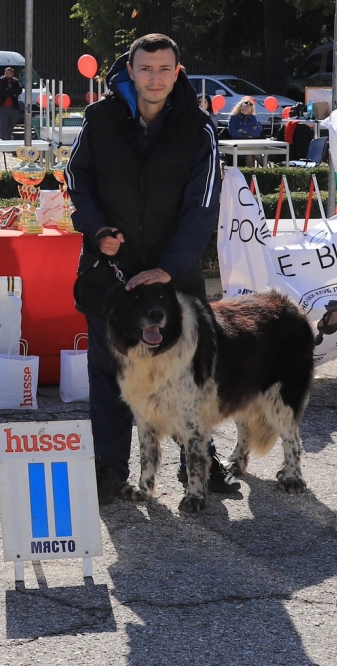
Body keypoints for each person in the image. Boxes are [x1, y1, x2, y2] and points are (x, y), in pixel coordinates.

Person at [63, 34, 226, 501]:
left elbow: (203, 205)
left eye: (164, 69)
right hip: (109, 274)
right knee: (110, 375)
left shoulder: (200, 128)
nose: (155, 78)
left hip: (175, 280)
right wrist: (97, 230)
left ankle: (198, 462)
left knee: (187, 375)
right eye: (146, 68)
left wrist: (169, 268)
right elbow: (77, 179)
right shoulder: (99, 118)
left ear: (178, 73)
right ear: (130, 72)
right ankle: (109, 468)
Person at [0, 67, 24, 139]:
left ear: (12, 74)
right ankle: (2, 139)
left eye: (9, 73)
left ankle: (8, 138)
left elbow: (19, 90)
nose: (8, 75)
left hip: (13, 106)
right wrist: (12, 93)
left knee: (12, 123)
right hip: (3, 106)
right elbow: (2, 91)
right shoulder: (1, 80)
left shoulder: (15, 81)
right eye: (6, 73)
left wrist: (11, 92)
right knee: (3, 124)